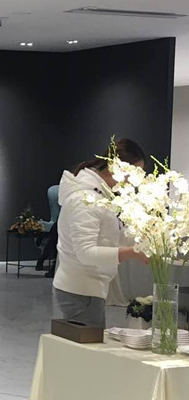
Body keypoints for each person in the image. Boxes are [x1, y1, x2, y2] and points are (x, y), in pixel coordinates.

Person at [53, 139, 150, 327]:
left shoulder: (100, 196)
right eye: (133, 174)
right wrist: (133, 252)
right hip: (80, 291)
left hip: (87, 291)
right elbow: (86, 253)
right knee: (87, 345)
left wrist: (142, 237)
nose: (134, 182)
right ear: (116, 167)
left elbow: (110, 236)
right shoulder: (86, 200)